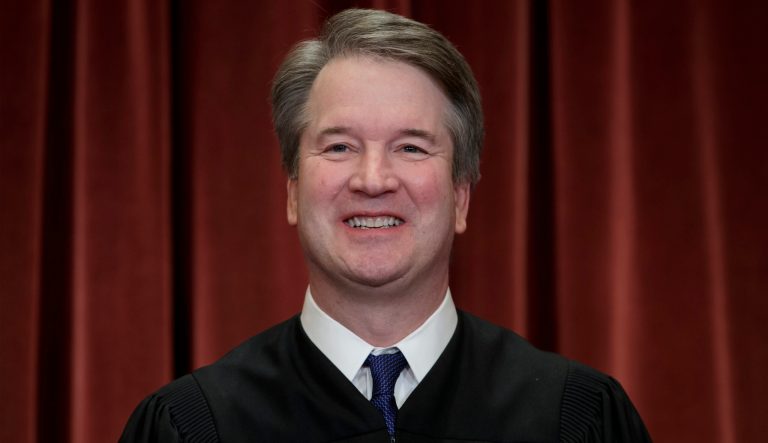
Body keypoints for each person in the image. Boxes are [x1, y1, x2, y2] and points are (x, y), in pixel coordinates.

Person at [121, 9, 650, 442]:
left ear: (461, 196)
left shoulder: (576, 421)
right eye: (339, 147)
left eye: (411, 147)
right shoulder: (192, 428)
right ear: (292, 193)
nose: (373, 179)